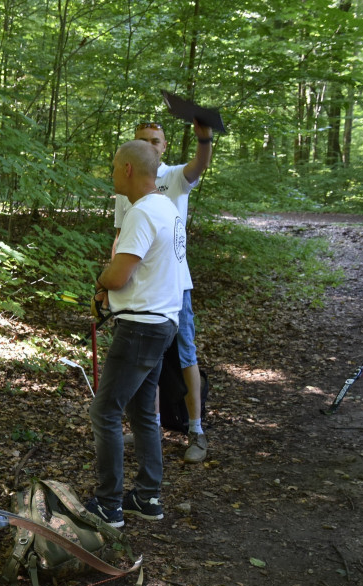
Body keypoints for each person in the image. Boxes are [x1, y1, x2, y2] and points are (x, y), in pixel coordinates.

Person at [86, 140, 184, 528]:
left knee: (105, 411)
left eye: (113, 167)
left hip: (142, 327)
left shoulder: (142, 213)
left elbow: (120, 273)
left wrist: (100, 282)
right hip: (162, 324)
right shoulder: (167, 209)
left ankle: (109, 505)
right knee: (143, 410)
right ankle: (147, 496)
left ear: (128, 169)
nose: (111, 173)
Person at [115, 119, 213, 462]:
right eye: (143, 140)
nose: (150, 146)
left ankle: (196, 431)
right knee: (148, 357)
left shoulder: (171, 176)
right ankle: (150, 429)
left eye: (155, 140)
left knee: (185, 355)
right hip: (138, 288)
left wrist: (205, 137)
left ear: (165, 145)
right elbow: (119, 237)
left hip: (175, 286)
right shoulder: (126, 184)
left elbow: (199, 165)